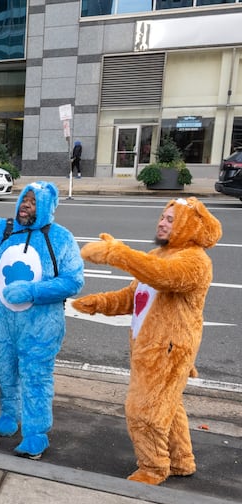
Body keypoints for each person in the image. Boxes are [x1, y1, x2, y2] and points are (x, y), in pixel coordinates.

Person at [72, 197, 222, 485]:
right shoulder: (160, 253)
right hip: (153, 348)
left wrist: (118, 254)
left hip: (168, 350)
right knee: (168, 405)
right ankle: (180, 460)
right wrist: (99, 302)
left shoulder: (196, 261)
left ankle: (153, 469)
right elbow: (135, 296)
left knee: (144, 410)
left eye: (170, 219)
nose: (161, 222)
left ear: (188, 226)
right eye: (162, 217)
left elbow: (164, 277)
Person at [0, 181, 84, 459]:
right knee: (4, 370)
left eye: (34, 201)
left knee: (35, 378)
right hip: (0, 323)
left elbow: (73, 281)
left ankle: (36, 433)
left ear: (47, 207)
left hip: (40, 329)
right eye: (24, 198)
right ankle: (8, 413)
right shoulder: (3, 229)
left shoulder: (60, 238)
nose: (26, 204)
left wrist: (32, 291)